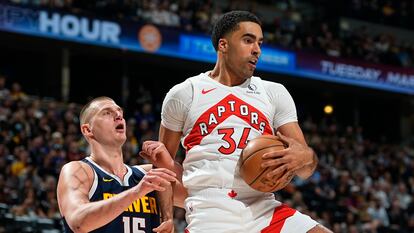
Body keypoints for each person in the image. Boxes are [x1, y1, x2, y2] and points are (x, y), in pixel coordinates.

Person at [141, 11, 332, 233]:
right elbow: (164, 168)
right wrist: (166, 216)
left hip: (263, 206)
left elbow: (306, 169)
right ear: (223, 45)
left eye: (260, 43)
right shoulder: (185, 93)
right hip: (209, 210)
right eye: (248, 40)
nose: (257, 49)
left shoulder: (273, 92)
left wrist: (305, 156)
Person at [57, 96, 177, 233]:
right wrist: (137, 192)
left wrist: (168, 163)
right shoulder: (80, 170)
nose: (119, 116)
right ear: (87, 130)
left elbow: (197, 194)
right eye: (107, 113)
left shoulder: (148, 174)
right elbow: (78, 222)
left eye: (120, 112)